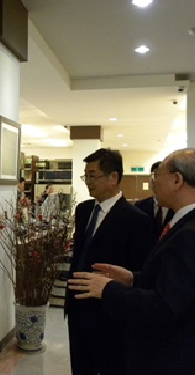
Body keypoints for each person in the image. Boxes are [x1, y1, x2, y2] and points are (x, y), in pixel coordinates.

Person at [69, 148, 195, 375]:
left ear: (177, 180)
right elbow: (177, 283)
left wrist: (108, 289)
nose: (153, 183)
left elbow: (166, 307)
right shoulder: (193, 222)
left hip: (182, 359)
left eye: (157, 177)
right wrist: (133, 278)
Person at [65, 148, 153, 375]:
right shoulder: (83, 210)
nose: (88, 182)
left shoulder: (136, 220)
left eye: (93, 176)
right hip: (77, 306)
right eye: (86, 176)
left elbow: (139, 271)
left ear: (113, 177)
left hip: (110, 312)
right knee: (80, 366)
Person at [135, 161, 175, 244]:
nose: (155, 180)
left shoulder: (176, 207)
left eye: (159, 176)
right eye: (153, 175)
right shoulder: (140, 206)